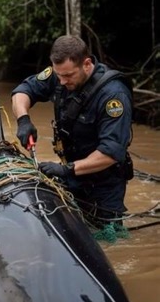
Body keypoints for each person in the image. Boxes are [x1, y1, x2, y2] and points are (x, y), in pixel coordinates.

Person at [11, 35, 133, 228]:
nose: (61, 82)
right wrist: (23, 119)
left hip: (103, 186)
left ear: (86, 64)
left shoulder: (113, 96)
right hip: (71, 177)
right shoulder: (59, 74)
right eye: (59, 75)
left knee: (109, 242)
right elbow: (22, 91)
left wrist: (65, 170)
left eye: (68, 76)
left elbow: (111, 153)